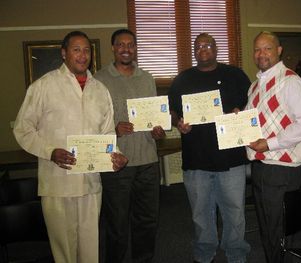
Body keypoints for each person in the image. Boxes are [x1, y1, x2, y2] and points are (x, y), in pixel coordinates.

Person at [13, 31, 128, 263]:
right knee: (64, 252)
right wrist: (50, 152)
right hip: (58, 182)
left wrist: (116, 156)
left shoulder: (99, 90)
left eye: (86, 50)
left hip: (90, 183)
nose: (82, 55)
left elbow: (106, 134)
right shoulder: (43, 86)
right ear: (64, 53)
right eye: (76, 49)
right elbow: (23, 129)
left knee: (90, 250)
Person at [168, 33, 251, 263]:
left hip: (231, 158)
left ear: (216, 48)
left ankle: (236, 254)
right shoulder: (182, 79)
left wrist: (240, 112)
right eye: (198, 46)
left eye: (208, 44)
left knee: (235, 211)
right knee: (200, 214)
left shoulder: (234, 74)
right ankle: (204, 253)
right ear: (194, 51)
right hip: (196, 159)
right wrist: (178, 122)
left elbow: (252, 101)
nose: (203, 48)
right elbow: (172, 110)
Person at [94, 29, 165, 263]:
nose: (126, 49)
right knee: (117, 223)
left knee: (147, 220)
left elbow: (155, 119)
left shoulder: (147, 78)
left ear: (136, 48)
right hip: (117, 162)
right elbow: (92, 121)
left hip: (147, 161)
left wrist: (157, 131)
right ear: (113, 48)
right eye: (121, 44)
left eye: (131, 45)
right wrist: (114, 130)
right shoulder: (99, 79)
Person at [245, 31, 301, 263]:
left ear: (279, 50)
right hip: (261, 165)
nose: (261, 54)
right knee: (267, 226)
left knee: (278, 229)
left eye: (267, 48)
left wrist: (270, 143)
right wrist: (239, 119)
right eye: (257, 49)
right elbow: (254, 120)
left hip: (281, 168)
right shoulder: (255, 86)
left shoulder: (290, 81)